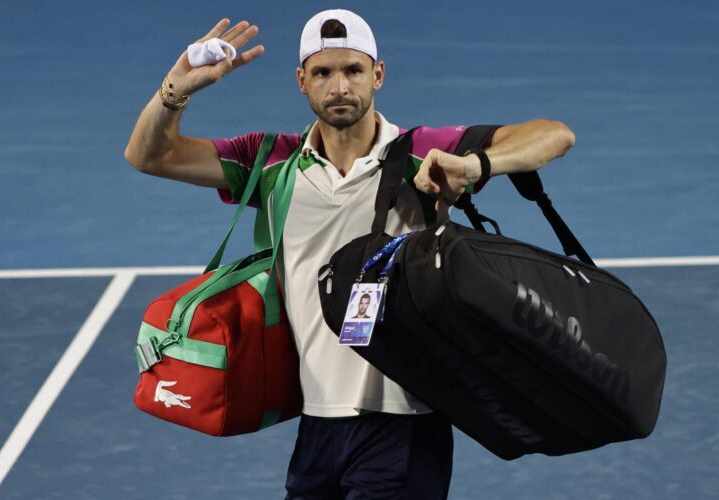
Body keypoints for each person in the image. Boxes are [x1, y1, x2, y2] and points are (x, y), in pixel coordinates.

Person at [125, 9, 575, 499]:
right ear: (302, 81)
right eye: (323, 73)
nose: (339, 86)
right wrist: (176, 88)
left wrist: (474, 164)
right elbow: (151, 155)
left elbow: (553, 135)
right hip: (317, 423)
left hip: (404, 420)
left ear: (377, 75)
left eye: (353, 70)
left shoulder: (421, 152)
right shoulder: (271, 162)